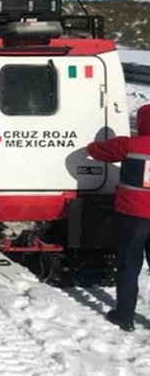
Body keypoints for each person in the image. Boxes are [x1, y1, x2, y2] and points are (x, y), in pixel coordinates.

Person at [87, 104, 150, 332]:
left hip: (133, 217)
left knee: (129, 266)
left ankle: (124, 316)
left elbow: (97, 151)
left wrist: (90, 145)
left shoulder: (129, 145)